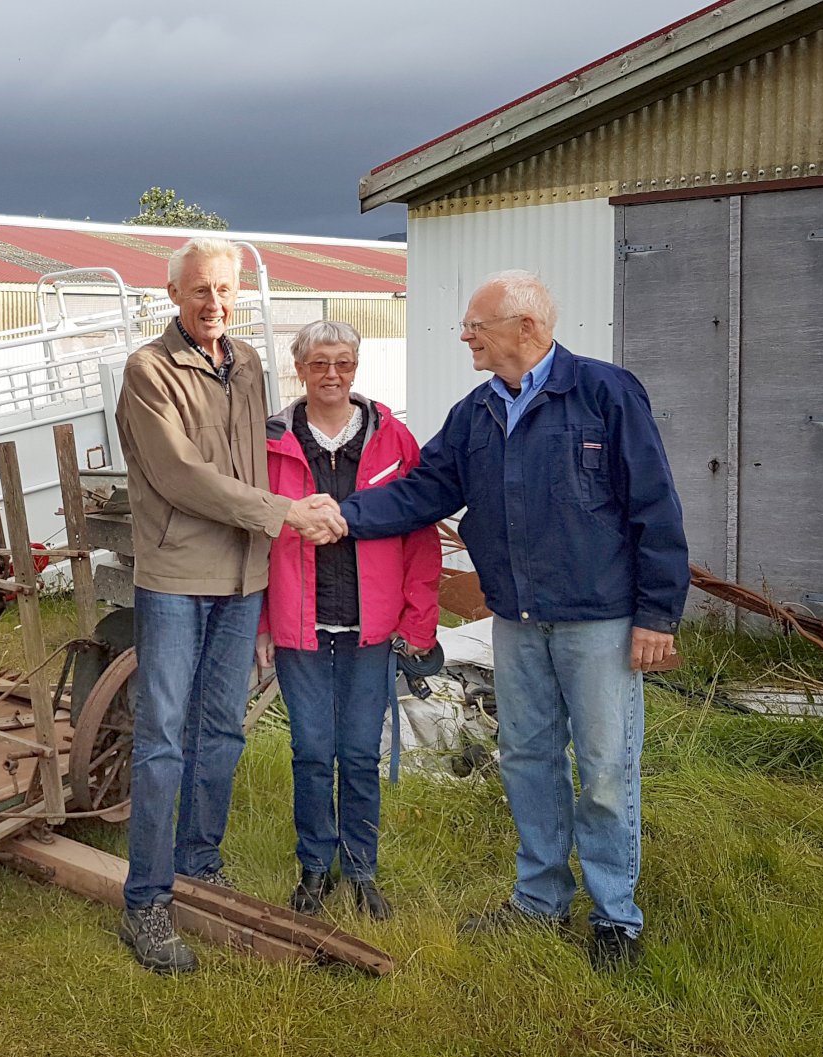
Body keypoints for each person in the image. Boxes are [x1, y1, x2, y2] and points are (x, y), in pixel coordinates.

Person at [308, 269, 688, 970]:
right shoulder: (476, 413)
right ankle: (540, 902)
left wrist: (657, 614)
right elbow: (424, 490)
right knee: (529, 762)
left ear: (526, 328)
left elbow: (654, 508)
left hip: (598, 621)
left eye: (475, 326)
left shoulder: (605, 393)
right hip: (514, 620)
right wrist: (343, 516)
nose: (464, 337)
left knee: (605, 771)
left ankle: (615, 918)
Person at [113, 237, 338, 975]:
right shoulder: (149, 371)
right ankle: (145, 902)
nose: (213, 302)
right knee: (163, 739)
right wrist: (285, 513)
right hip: (178, 576)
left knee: (222, 731)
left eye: (224, 290)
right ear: (174, 293)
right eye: (200, 289)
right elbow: (183, 477)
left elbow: (260, 450)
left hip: (242, 579)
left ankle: (199, 866)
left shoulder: (246, 364)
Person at [255, 319, 441, 921]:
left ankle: (362, 869)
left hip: (372, 627)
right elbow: (254, 538)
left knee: (359, 752)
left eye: (342, 363)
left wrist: (419, 620)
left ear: (356, 368)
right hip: (300, 624)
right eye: (318, 364)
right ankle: (314, 867)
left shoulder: (394, 441)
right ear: (300, 369)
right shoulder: (272, 442)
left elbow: (419, 534)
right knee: (311, 750)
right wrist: (261, 622)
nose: (331, 375)